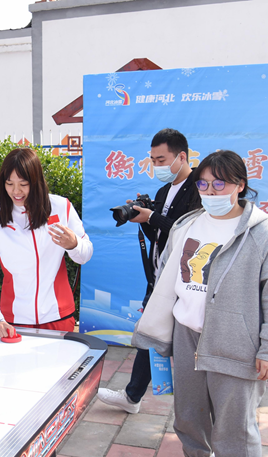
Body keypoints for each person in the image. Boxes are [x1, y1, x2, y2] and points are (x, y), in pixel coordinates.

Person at [132, 151, 268, 457]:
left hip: (236, 343)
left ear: (240, 185)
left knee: (235, 425)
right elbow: (167, 276)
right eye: (203, 184)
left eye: (219, 184)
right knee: (189, 415)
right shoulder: (187, 224)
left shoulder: (263, 234)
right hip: (188, 335)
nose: (210, 191)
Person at [97, 128, 201, 414]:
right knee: (150, 333)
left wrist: (153, 216)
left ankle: (200, 415)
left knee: (187, 348)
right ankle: (133, 397)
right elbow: (160, 236)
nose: (157, 166)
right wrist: (143, 219)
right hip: (159, 278)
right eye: (153, 160)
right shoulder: (164, 191)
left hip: (185, 282)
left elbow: (188, 235)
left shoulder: (199, 188)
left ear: (181, 156)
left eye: (161, 160)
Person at [0, 147, 93, 336]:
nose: (16, 191)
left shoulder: (61, 207)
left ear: (36, 182)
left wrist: (74, 244)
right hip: (13, 322)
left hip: (59, 317)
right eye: (9, 184)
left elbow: (85, 255)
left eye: (23, 184)